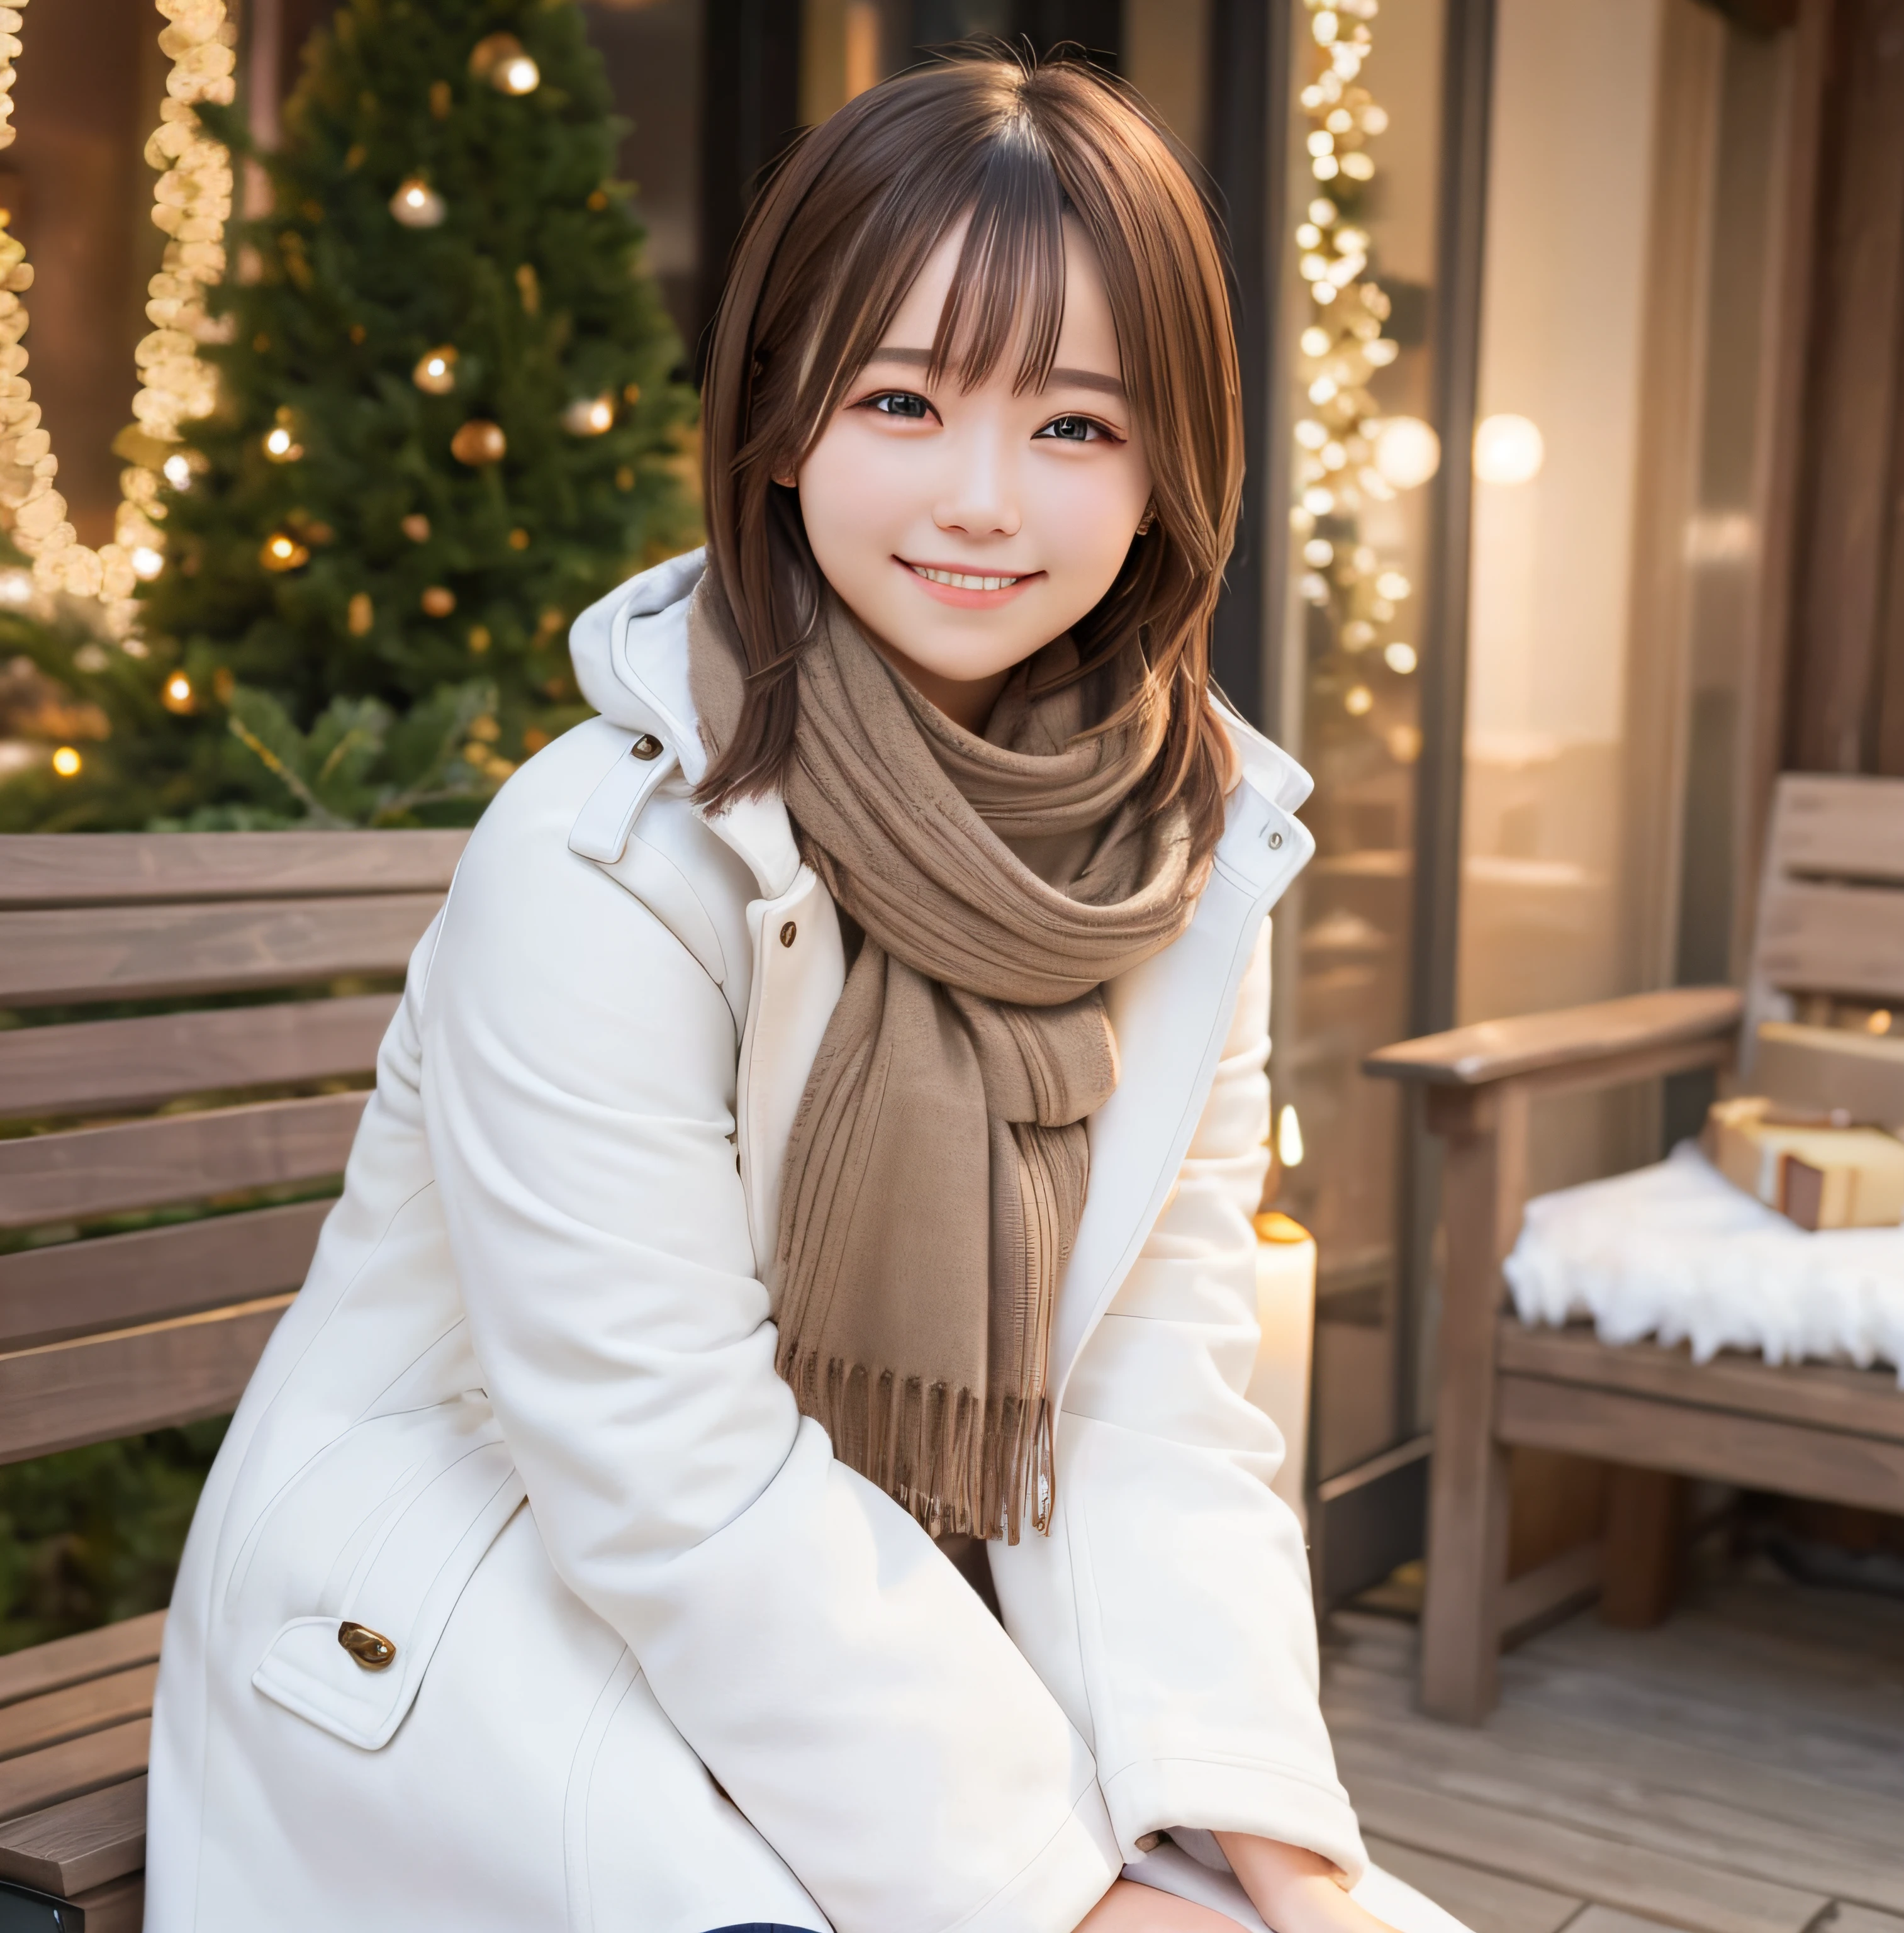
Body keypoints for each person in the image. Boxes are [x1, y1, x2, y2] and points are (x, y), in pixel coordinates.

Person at [146, 48, 1469, 1933]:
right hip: (465, 1642)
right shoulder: (602, 854)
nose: (984, 500)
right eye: (906, 400)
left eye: (1077, 427)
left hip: (902, 1651)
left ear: (1173, 463)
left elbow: (1158, 1415)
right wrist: (1071, 1901)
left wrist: (1279, 1842)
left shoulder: (1183, 862)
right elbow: (666, 1473)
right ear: (780, 420)